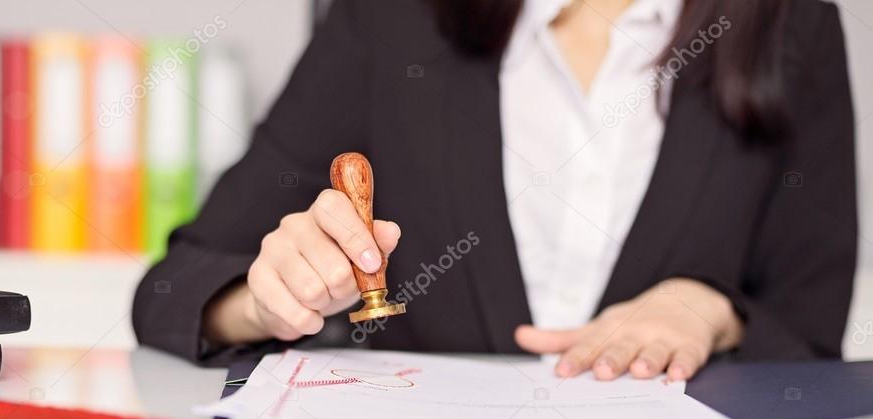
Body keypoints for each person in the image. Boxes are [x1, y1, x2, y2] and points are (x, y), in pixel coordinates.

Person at [133, 0, 858, 381]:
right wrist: (262, 303)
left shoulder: (796, 28)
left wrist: (711, 310)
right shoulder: (390, 19)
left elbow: (808, 346)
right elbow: (168, 293)